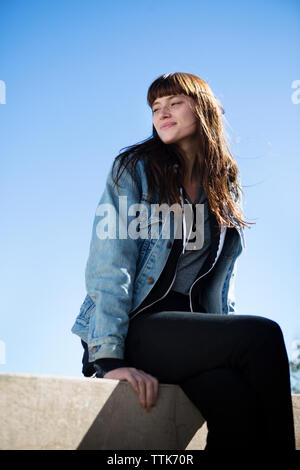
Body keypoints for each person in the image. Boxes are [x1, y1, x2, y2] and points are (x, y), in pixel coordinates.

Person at [71, 72, 295, 450]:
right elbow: (111, 264)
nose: (162, 113)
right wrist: (108, 359)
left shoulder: (223, 186)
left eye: (174, 103)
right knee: (263, 336)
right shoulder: (134, 168)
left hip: (189, 332)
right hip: (137, 326)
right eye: (156, 107)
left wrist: (223, 350)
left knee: (235, 405)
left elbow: (223, 286)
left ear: (202, 109)